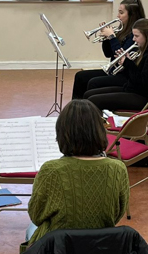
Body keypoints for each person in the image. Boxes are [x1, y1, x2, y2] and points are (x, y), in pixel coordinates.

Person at [27, 100, 129, 245]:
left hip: (58, 251)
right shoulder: (118, 169)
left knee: (30, 230)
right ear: (99, 130)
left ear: (62, 133)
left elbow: (36, 216)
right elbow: (117, 214)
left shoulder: (51, 170)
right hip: (101, 248)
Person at [84, 18, 148, 112]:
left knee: (93, 100)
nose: (133, 39)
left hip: (142, 97)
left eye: (136, 36)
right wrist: (126, 62)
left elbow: (142, 83)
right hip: (131, 89)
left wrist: (127, 63)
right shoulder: (143, 49)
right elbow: (134, 76)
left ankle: (94, 125)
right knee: (88, 95)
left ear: (147, 36)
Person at [72, 0, 145, 99]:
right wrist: (106, 38)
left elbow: (120, 57)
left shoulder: (135, 35)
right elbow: (108, 53)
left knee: (93, 82)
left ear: (131, 15)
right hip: (113, 70)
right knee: (80, 76)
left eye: (121, 12)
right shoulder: (122, 29)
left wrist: (112, 37)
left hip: (124, 75)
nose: (117, 16)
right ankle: (76, 110)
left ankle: (87, 111)